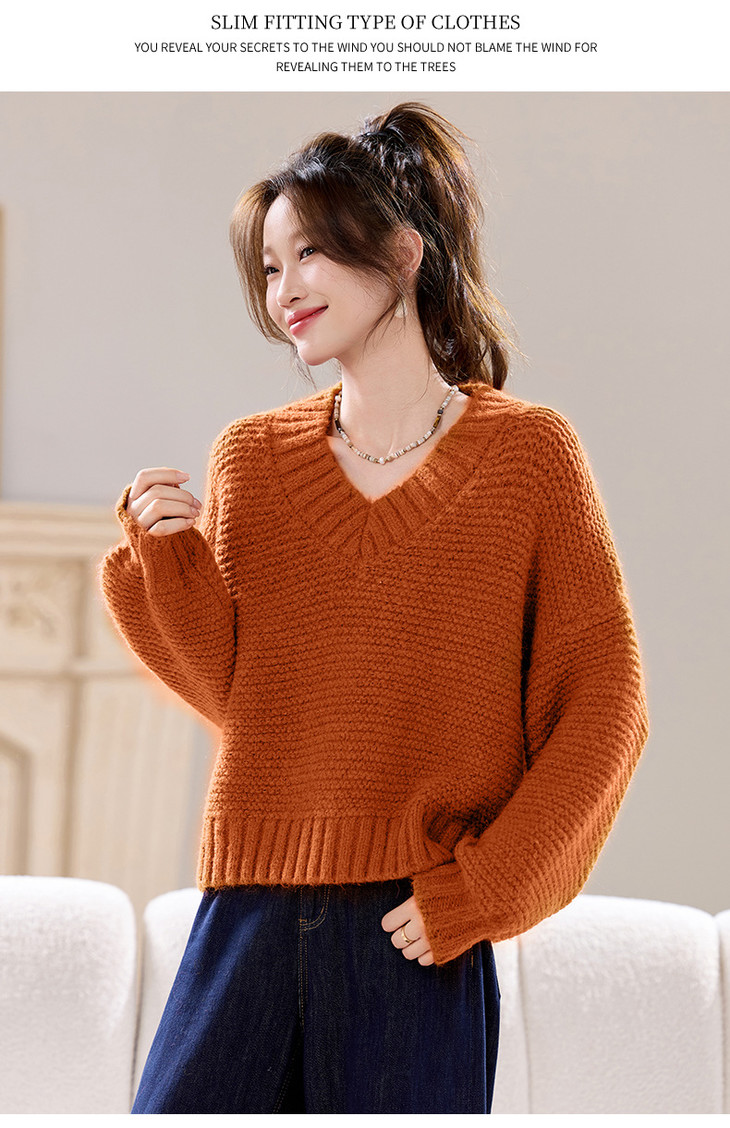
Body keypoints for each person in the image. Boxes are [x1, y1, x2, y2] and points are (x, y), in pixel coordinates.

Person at [99, 101, 650, 1114]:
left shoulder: (530, 458)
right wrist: (162, 561)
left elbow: (605, 708)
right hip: (248, 917)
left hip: (414, 930)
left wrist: (483, 892)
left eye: (308, 253)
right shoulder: (251, 460)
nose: (283, 290)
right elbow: (245, 699)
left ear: (401, 253)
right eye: (269, 267)